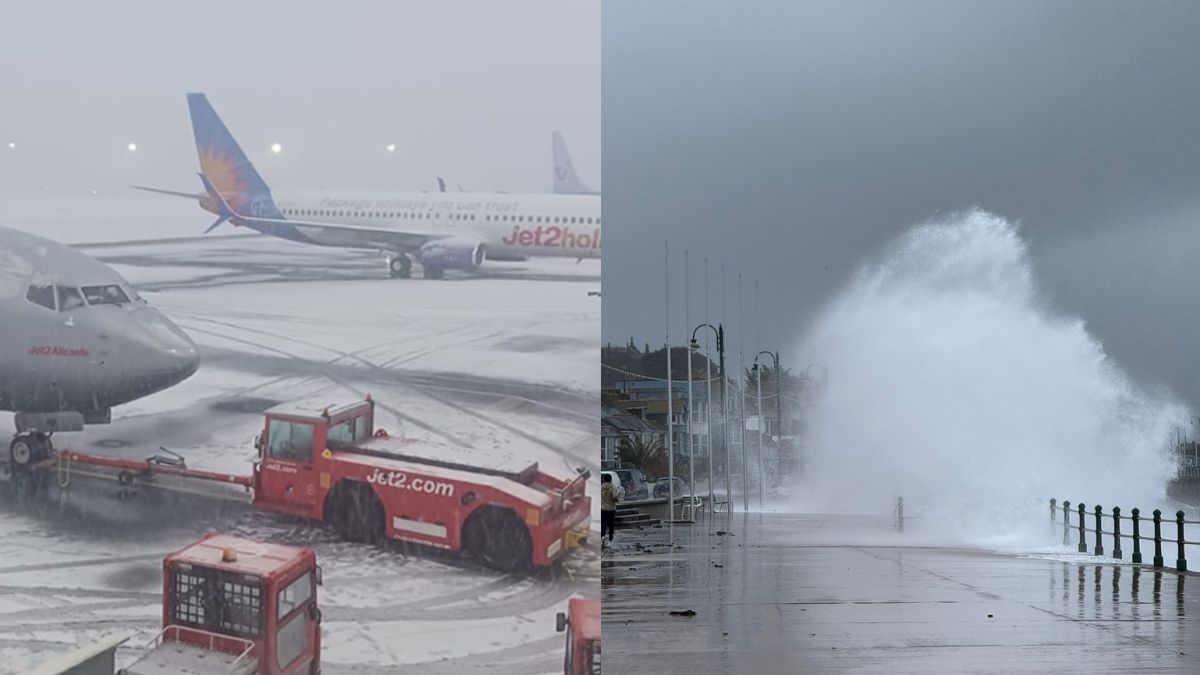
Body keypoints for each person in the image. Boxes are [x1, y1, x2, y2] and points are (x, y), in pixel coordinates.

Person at [601, 472, 619, 547]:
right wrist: (617, 499)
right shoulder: (613, 487)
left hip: (603, 509)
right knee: (611, 525)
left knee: (603, 524)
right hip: (611, 509)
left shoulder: (601, 487)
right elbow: (614, 497)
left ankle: (602, 536)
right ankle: (610, 541)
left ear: (604, 480)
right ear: (611, 480)